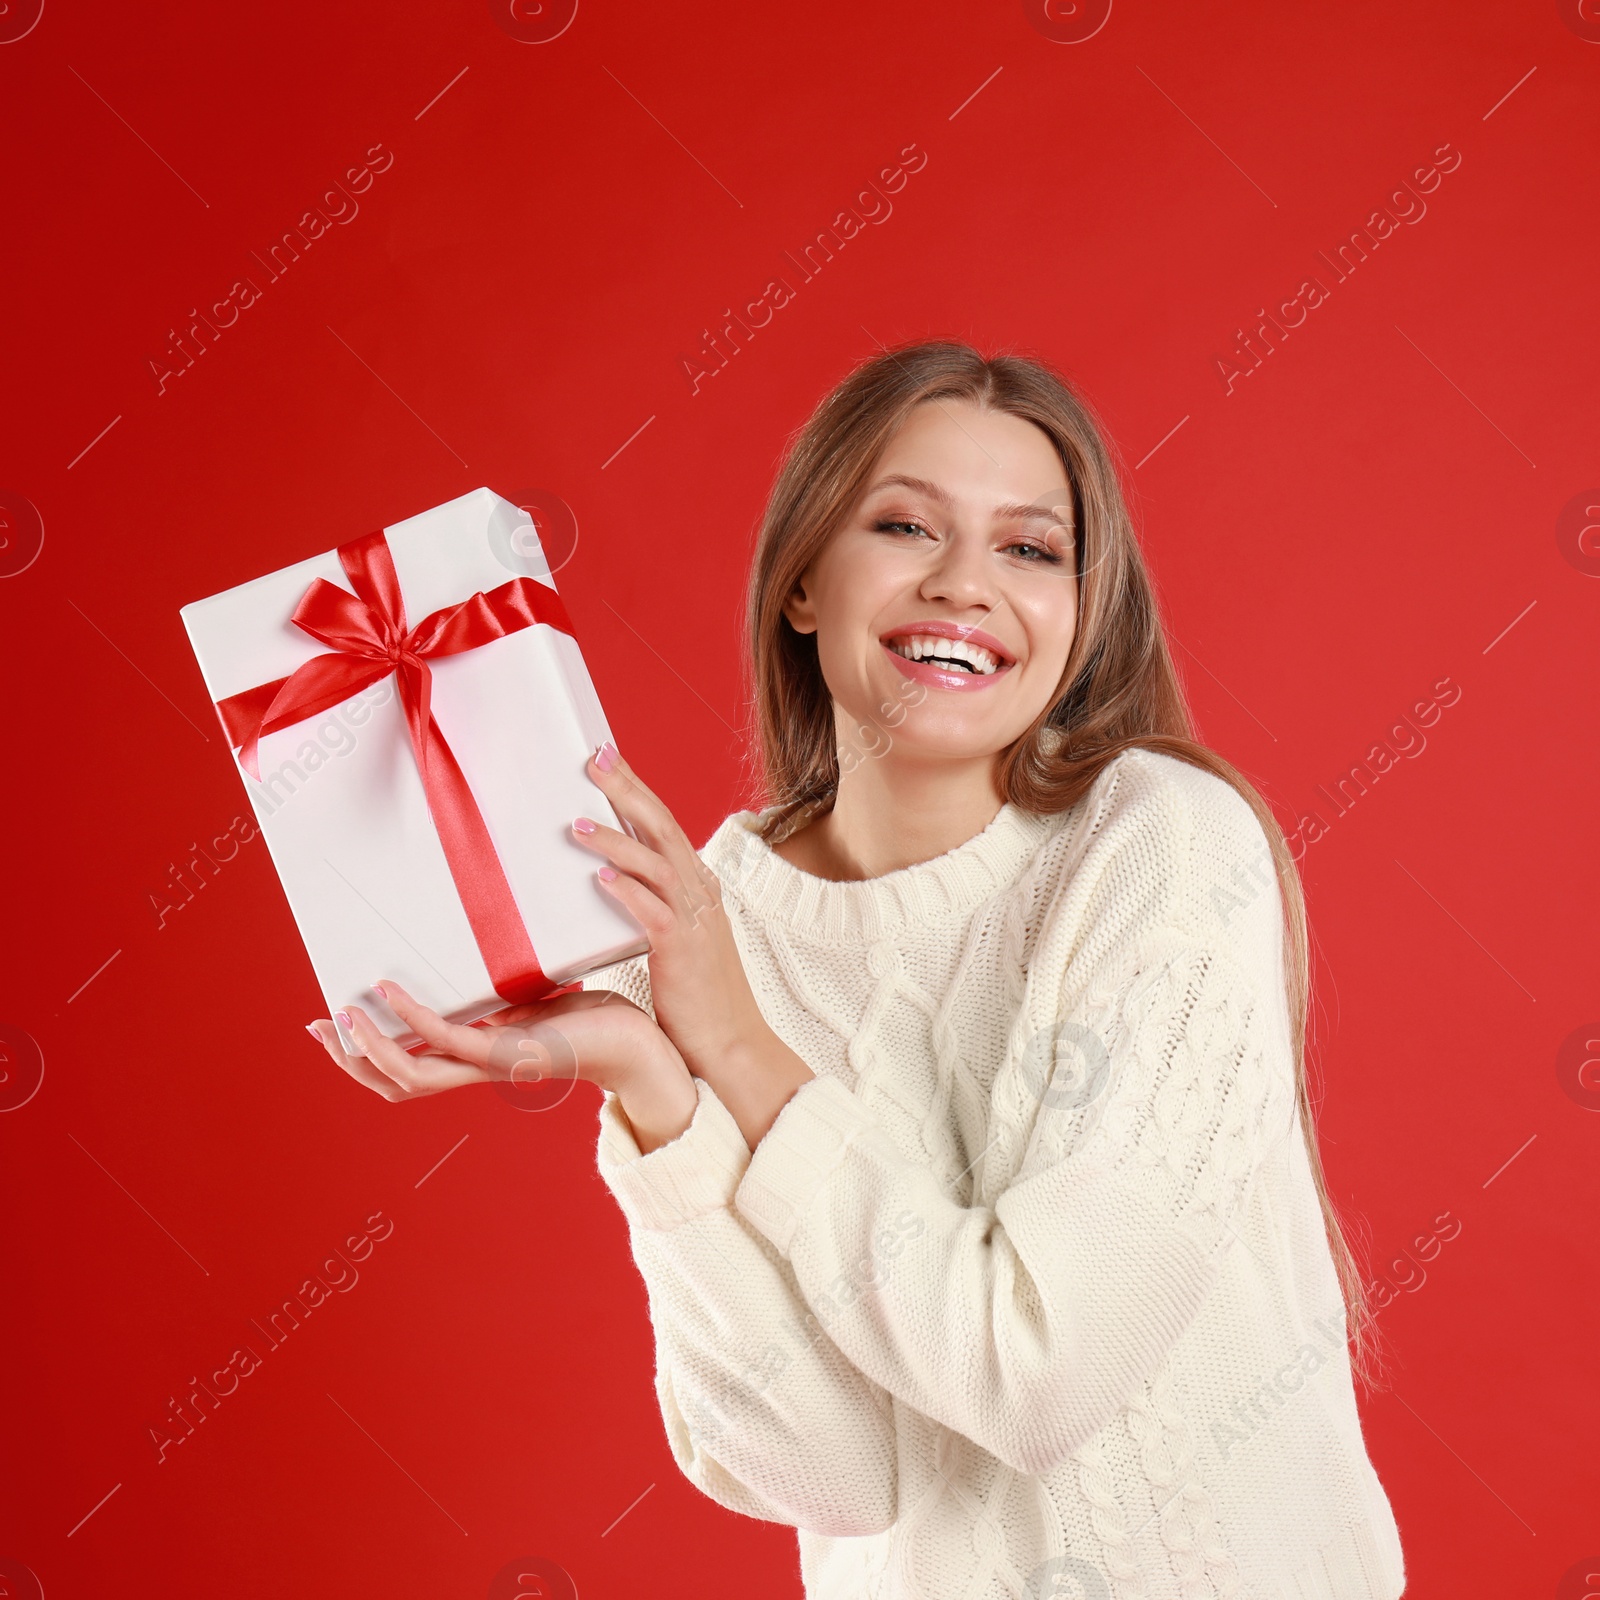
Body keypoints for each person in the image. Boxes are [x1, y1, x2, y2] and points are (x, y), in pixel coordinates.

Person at [309, 341, 1407, 1598]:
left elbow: (1036, 1369)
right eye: (904, 525)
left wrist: (735, 1050)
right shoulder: (715, 921)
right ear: (803, 586)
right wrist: (651, 1090)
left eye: (1030, 549)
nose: (965, 585)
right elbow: (829, 1474)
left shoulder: (1158, 841)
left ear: (1080, 614)